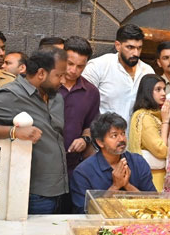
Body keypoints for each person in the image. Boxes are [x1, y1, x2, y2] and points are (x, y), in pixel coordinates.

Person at [0, 49, 68, 214]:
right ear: (41, 73)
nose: (63, 80)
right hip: (31, 192)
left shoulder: (56, 97)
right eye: (59, 75)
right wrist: (13, 132)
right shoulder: (11, 94)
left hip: (59, 188)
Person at [70, 112, 156, 210]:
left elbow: (154, 203)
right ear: (100, 142)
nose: (122, 139)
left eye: (123, 133)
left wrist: (127, 185)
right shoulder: (83, 172)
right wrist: (115, 187)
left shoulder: (138, 162)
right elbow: (83, 212)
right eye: (114, 135)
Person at [83, 23, 154, 124]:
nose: (136, 53)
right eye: (130, 47)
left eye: (139, 48)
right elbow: (83, 104)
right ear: (118, 46)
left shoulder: (147, 71)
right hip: (103, 136)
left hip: (136, 138)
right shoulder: (98, 66)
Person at [59, 36, 99, 175]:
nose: (73, 70)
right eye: (70, 63)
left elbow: (90, 124)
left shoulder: (91, 92)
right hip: (44, 163)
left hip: (73, 165)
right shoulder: (47, 85)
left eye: (80, 66)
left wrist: (84, 139)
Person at [129, 74, 170, 191]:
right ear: (148, 92)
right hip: (153, 177)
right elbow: (161, 150)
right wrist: (166, 122)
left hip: (161, 174)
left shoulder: (156, 114)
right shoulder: (145, 117)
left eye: (164, 89)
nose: (163, 93)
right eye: (158, 89)